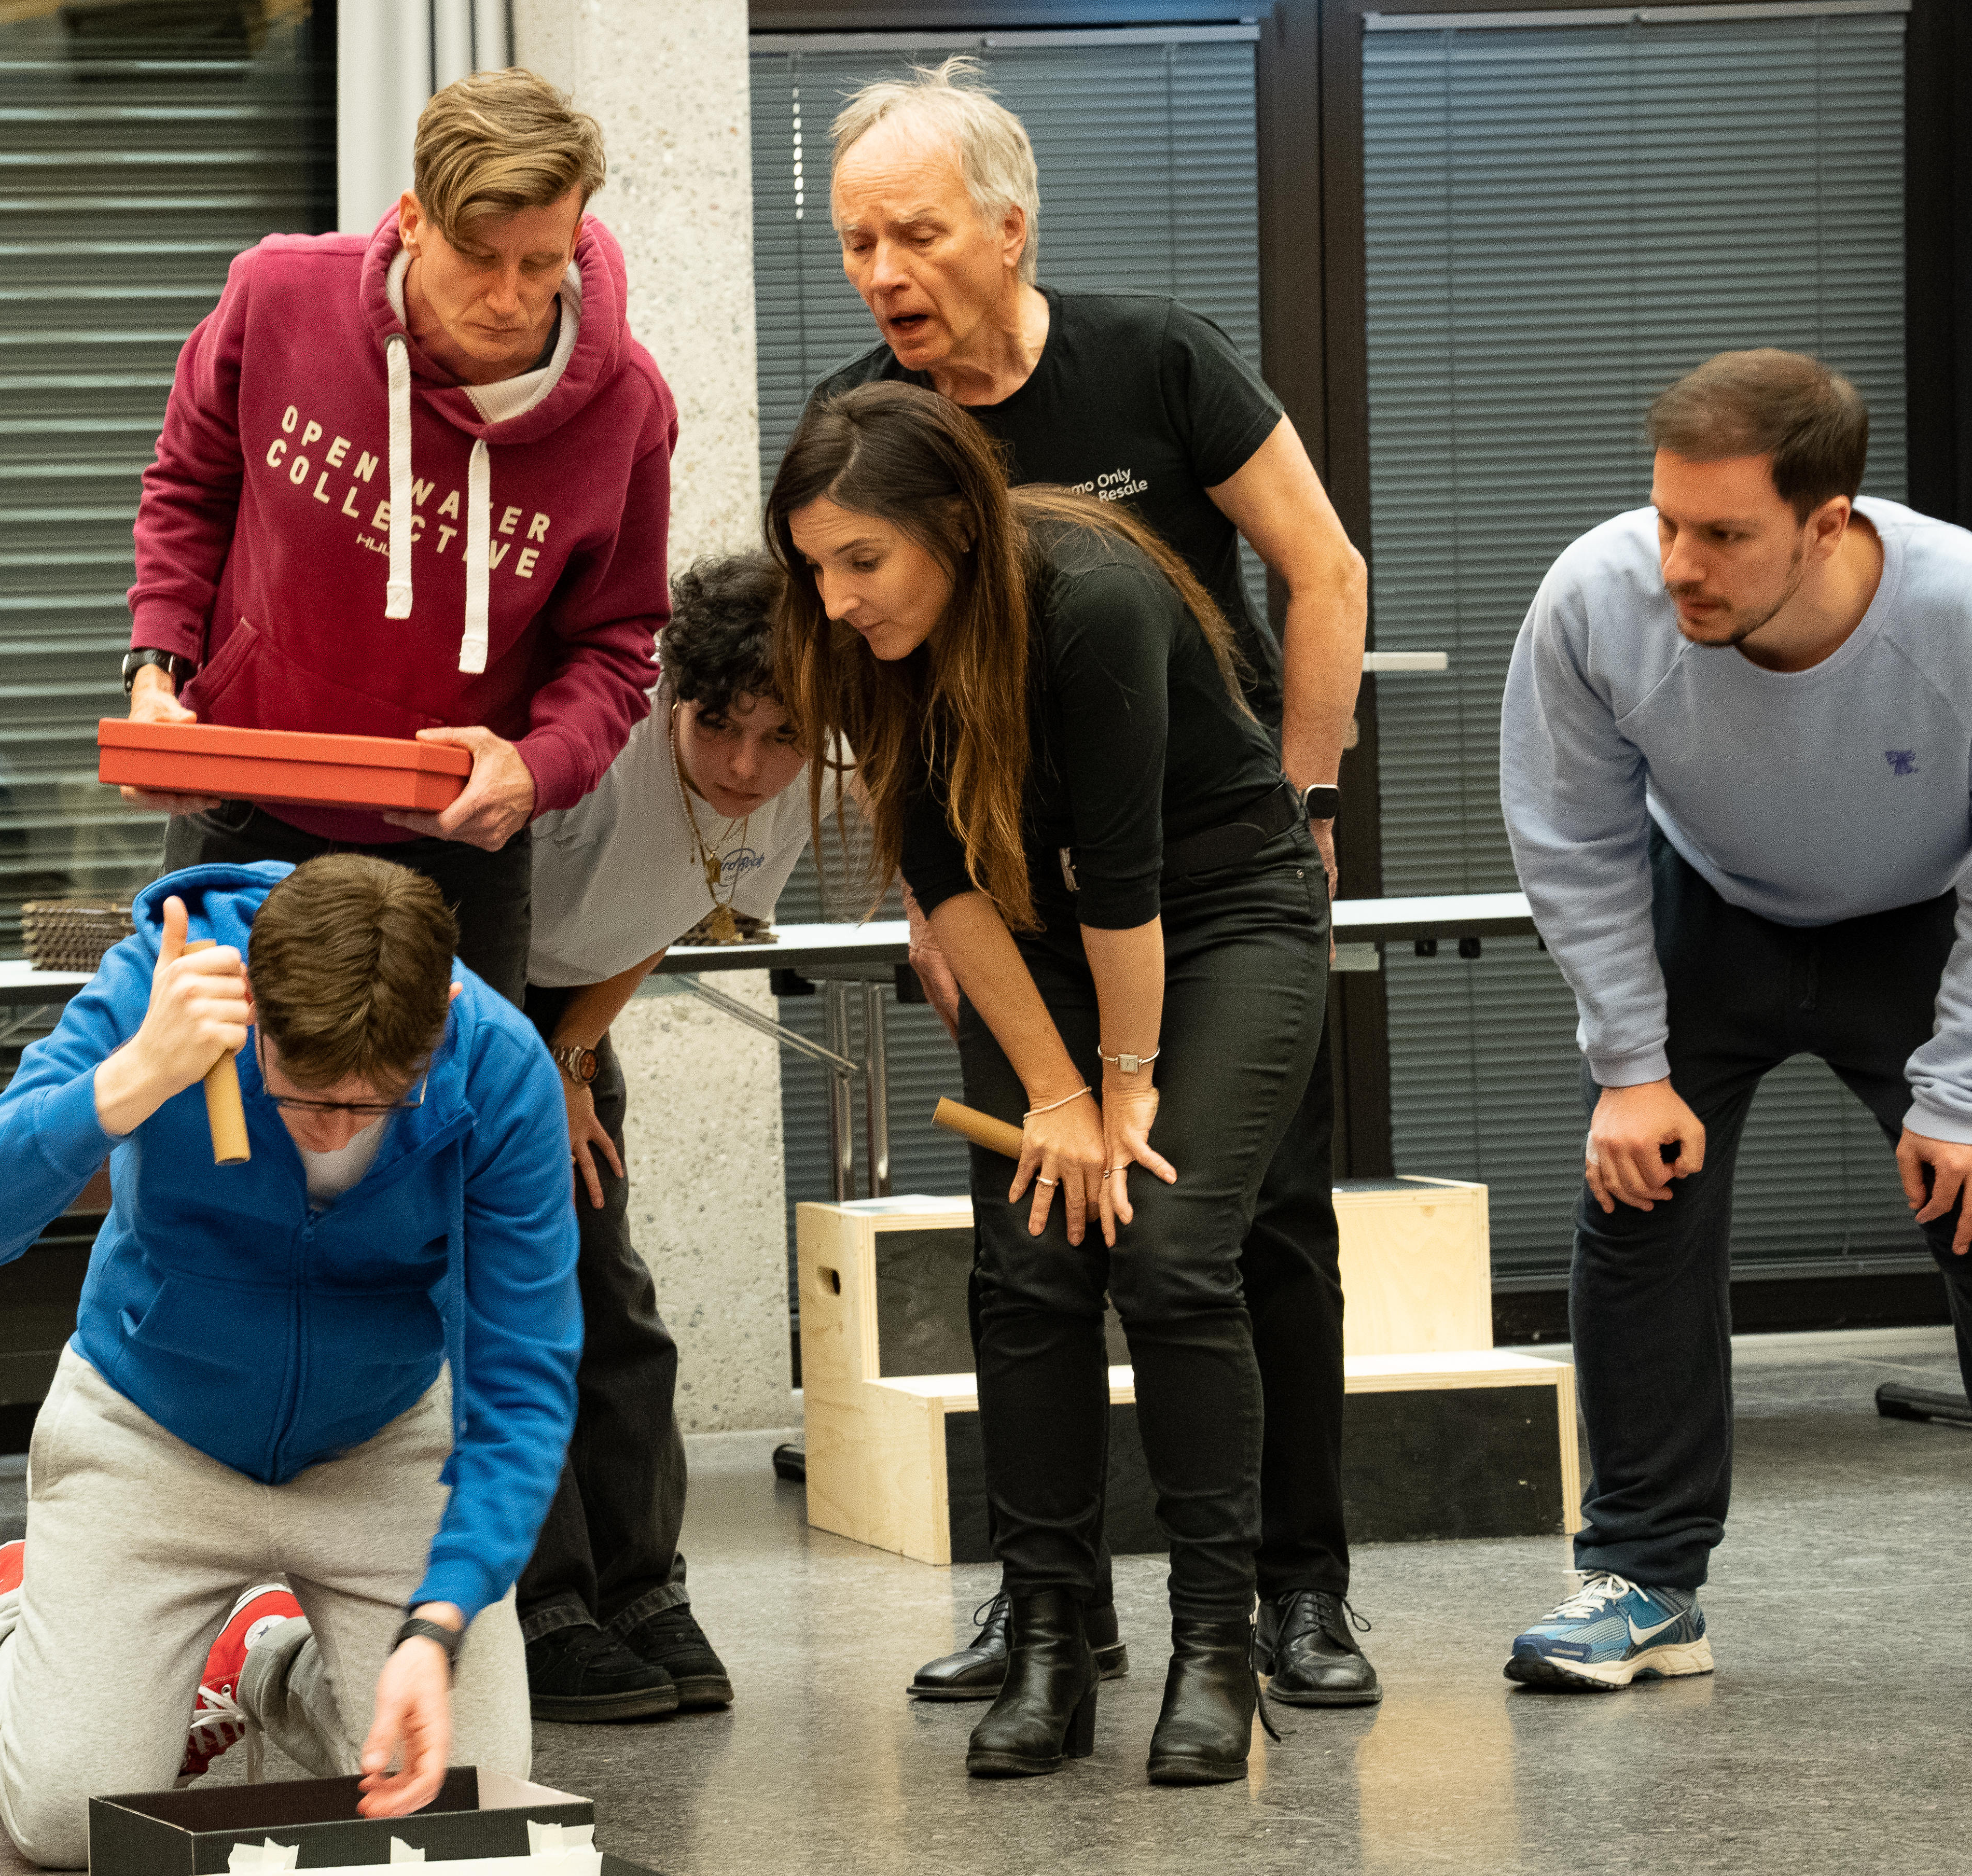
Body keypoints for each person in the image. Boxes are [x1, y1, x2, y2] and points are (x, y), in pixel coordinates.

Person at [813, 58, 1380, 1708]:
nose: (880, 274)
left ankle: (1299, 1591)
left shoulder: (1153, 358)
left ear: (1007, 225)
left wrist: (1307, 800)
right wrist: (936, 907)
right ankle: (1043, 1600)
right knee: (1029, 1243)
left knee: (1240, 1230)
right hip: (1020, 908)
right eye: (854, 242)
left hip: (1205, 866)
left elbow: (1321, 568)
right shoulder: (883, 429)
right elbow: (886, 687)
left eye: (910, 234)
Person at [769, 383, 1326, 1784]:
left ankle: (1214, 1647)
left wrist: (1117, 1091)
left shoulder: (1088, 595)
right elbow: (941, 876)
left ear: (950, 526)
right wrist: (1050, 1093)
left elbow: (1125, 888)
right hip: (1030, 932)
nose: (831, 600)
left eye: (858, 562)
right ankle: (1047, 1639)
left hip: (1218, 917)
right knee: (1027, 1263)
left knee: (1169, 1249)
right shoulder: (865, 642)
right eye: (810, 566)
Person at [0, 854, 579, 1867]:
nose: (331, 1136)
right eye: (304, 1095)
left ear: (436, 1018)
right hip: (151, 1420)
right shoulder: (156, 989)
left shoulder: (497, 1061)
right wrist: (133, 1075)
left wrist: (437, 1623)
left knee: (465, 1810)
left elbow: (522, 1375)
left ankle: (262, 1660)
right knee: (62, 1825)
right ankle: (12, 1624)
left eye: (373, 1106)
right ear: (254, 1006)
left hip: (383, 1430)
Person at [1498, 349, 1972, 1690]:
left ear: (1825, 523)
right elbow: (1568, 835)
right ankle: (1642, 1584)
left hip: (1916, 915)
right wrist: (1625, 1066)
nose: (1677, 565)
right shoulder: (1597, 600)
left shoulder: (1953, 610)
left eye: (1721, 535)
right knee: (1633, 1194)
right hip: (1702, 908)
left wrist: (1959, 1091)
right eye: (1664, 521)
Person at [119, 68, 677, 1002]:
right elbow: (189, 491)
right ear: (415, 218)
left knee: (450, 1133)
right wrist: (157, 674)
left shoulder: (627, 409)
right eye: (477, 255)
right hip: (239, 807)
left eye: (540, 263)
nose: (508, 298)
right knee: (201, 1116)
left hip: (456, 842)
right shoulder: (277, 295)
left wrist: (536, 771)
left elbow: (616, 647)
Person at [512, 552, 811, 1721]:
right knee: (513, 1300)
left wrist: (576, 1053)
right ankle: (540, 1603)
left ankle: (639, 1587)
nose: (746, 766)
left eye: (778, 736)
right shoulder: (595, 747)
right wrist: (525, 1060)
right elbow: (453, 898)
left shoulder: (801, 782)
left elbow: (680, 901)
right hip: (462, 989)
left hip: (571, 1018)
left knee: (610, 1295)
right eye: (716, 728)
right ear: (668, 699)